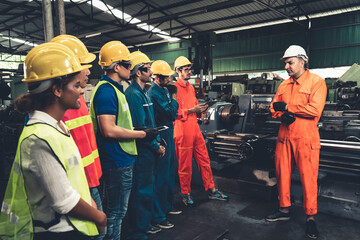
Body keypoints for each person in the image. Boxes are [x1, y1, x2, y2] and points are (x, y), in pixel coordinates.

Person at [0, 42, 106, 240]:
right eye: (76, 86)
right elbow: (63, 201)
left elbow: (73, 179)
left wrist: (90, 202)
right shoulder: (38, 138)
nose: (82, 91)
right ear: (57, 90)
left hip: (76, 226)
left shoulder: (57, 126)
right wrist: (100, 217)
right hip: (59, 232)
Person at [90, 41, 157, 240]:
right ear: (116, 67)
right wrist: (143, 134)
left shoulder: (115, 89)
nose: (131, 68)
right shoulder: (106, 91)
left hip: (122, 158)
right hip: (116, 160)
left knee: (117, 212)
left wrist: (136, 130)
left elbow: (117, 124)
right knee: (116, 213)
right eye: (128, 65)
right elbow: (108, 130)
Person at [266, 45, 327, 240]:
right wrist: (281, 115)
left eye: (290, 62)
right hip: (285, 136)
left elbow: (314, 110)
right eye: (285, 63)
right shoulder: (284, 85)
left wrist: (288, 107)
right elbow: (273, 106)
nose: (287, 67)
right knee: (282, 174)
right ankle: (284, 210)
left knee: (308, 178)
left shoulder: (317, 82)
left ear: (303, 61)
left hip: (306, 138)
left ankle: (310, 218)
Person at [50, 34, 104, 240]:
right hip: (76, 190)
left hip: (90, 181)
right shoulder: (56, 108)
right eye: (83, 64)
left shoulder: (77, 100)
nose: (89, 70)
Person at [173, 56, 229, 206]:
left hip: (195, 129)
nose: (189, 72)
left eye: (189, 69)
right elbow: (172, 112)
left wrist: (201, 112)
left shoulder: (191, 88)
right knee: (185, 165)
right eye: (185, 69)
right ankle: (185, 193)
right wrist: (192, 110)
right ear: (178, 71)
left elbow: (195, 106)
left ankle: (211, 189)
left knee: (204, 160)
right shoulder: (173, 89)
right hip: (182, 130)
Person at [125, 51, 165, 240]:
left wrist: (158, 142)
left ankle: (146, 223)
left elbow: (150, 124)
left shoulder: (144, 93)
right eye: (148, 69)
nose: (151, 72)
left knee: (148, 190)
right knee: (141, 191)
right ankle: (139, 230)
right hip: (142, 151)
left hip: (149, 149)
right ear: (138, 72)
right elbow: (140, 128)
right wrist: (155, 146)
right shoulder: (133, 94)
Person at [148, 60, 181, 229]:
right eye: (165, 77)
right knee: (160, 177)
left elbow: (172, 113)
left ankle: (167, 207)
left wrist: (172, 102)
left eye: (169, 76)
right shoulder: (155, 92)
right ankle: (158, 215)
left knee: (169, 174)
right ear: (156, 77)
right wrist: (174, 99)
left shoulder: (163, 90)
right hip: (162, 134)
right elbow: (171, 113)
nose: (169, 79)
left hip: (169, 132)